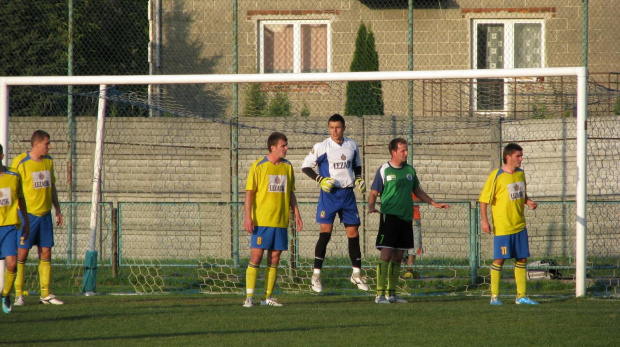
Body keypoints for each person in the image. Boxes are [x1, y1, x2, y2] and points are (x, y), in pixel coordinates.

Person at [368, 138, 450, 304]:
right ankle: (379, 295)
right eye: (403, 151)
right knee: (386, 254)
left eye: (406, 150)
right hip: (389, 217)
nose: (406, 153)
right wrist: (371, 206)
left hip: (406, 218)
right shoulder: (384, 170)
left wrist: (434, 203)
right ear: (393, 152)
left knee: (398, 256)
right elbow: (373, 192)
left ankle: (391, 294)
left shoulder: (410, 171)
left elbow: (418, 190)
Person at [301, 114, 369, 293]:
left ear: (344, 127)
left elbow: (356, 164)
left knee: (353, 233)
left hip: (347, 194)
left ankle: (356, 274)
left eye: (338, 127)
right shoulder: (321, 146)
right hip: (329, 195)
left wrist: (360, 178)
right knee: (325, 232)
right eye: (331, 127)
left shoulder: (352, 145)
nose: (335, 131)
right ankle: (316, 276)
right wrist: (319, 179)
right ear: (328, 128)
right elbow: (306, 166)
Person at [243, 132, 303, 307]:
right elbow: (249, 194)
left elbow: (290, 193)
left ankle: (267, 297)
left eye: (286, 145)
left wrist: (297, 214)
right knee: (256, 256)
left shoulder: (287, 166)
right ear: (273, 147)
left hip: (281, 221)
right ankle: (249, 297)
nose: (286, 148)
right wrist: (248, 217)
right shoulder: (258, 166)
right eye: (283, 145)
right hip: (261, 221)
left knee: (275, 257)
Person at [479, 142, 539, 305]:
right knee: (500, 259)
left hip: (520, 224)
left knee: (522, 259)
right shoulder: (496, 175)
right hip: (503, 226)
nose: (521, 159)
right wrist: (484, 220)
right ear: (508, 157)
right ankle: (494, 297)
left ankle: (521, 296)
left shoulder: (520, 174)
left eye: (521, 156)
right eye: (518, 156)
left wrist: (528, 201)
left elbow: (521, 194)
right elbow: (484, 200)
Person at [11, 130, 64, 306]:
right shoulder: (20, 162)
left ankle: (45, 294)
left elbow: (52, 187)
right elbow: (13, 189)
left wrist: (57, 209)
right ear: (36, 144)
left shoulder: (49, 162)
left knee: (46, 252)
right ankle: (19, 294)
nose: (49, 146)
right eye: (47, 143)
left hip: (45, 215)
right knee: (22, 254)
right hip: (27, 216)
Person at [1, 144, 31, 313]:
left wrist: (26, 220)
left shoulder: (13, 175)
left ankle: (5, 294)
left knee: (12, 264)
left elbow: (20, 198)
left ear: (1, 156)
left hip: (9, 227)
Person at [403, 193, 422, 279]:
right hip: (399, 216)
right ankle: (408, 269)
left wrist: (406, 201)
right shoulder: (394, 182)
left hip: (414, 217)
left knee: (413, 247)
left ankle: (409, 271)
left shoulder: (412, 181)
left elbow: (421, 197)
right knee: (399, 248)